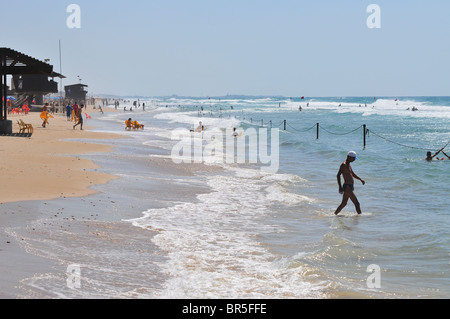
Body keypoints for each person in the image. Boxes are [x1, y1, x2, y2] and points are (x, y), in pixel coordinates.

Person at [334, 151, 366, 215]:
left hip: (350, 186)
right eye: (353, 158)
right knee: (357, 203)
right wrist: (340, 187)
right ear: (349, 157)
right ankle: (360, 217)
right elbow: (338, 175)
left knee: (344, 203)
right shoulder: (344, 165)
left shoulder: (349, 164)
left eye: (354, 158)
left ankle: (335, 214)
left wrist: (360, 179)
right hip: (347, 186)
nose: (354, 160)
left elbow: (352, 174)